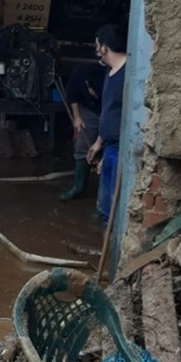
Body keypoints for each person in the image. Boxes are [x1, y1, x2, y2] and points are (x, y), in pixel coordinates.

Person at [86, 24, 128, 224]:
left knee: (113, 208)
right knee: (105, 207)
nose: (96, 50)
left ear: (104, 47)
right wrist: (98, 143)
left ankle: (111, 250)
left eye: (97, 45)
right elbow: (109, 112)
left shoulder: (129, 74)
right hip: (110, 146)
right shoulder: (110, 72)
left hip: (122, 148)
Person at [59, 60, 105, 201]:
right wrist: (77, 117)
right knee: (81, 146)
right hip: (89, 109)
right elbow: (72, 96)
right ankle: (78, 188)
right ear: (87, 85)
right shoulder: (80, 74)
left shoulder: (110, 79)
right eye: (94, 93)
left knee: (109, 150)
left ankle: (102, 198)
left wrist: (100, 141)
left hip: (108, 110)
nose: (96, 95)